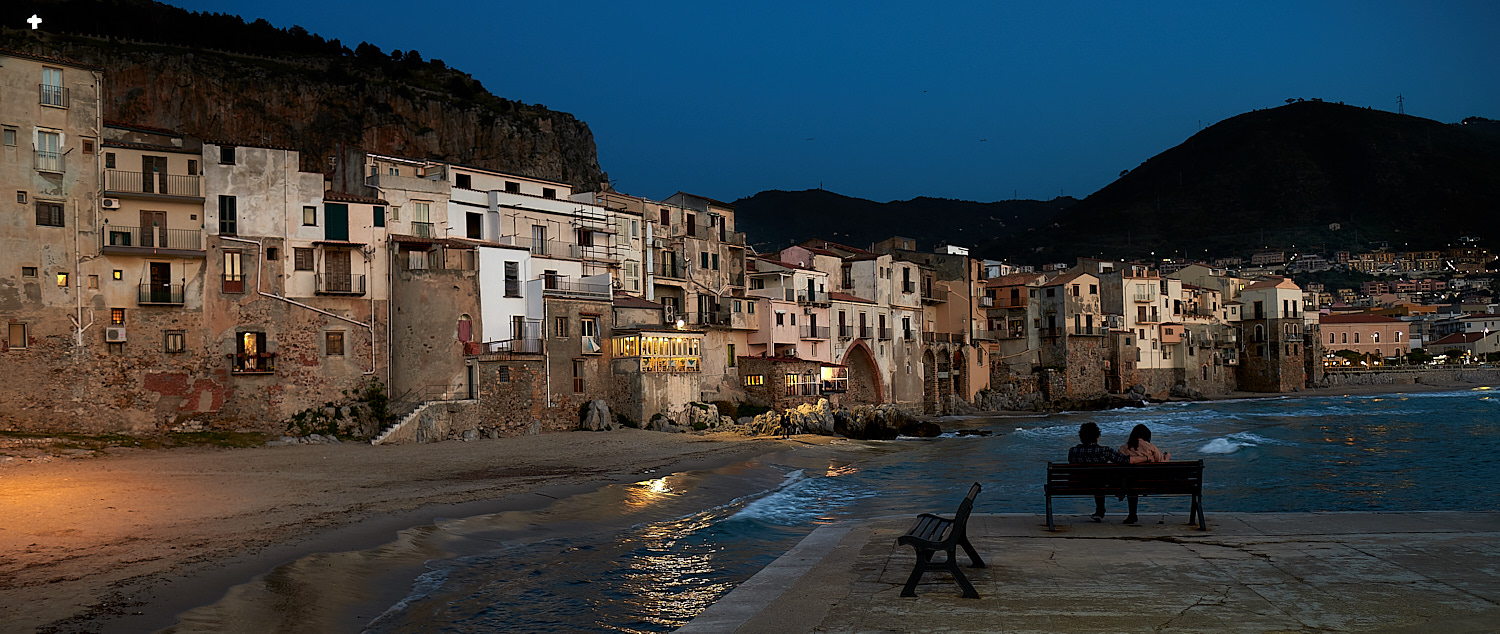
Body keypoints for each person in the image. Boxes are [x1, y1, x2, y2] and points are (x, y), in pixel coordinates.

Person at [1068, 422, 1131, 523]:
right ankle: (1104, 507)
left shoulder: (1073, 451)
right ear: (1097, 437)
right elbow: (1124, 461)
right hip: (1101, 484)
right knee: (1101, 479)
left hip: (1079, 484)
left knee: (1097, 479)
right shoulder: (1105, 451)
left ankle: (1100, 511)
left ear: (1081, 437)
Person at [1114, 424, 1171, 525]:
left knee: (1131, 483)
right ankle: (1132, 515)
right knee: (1135, 482)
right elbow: (1162, 465)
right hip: (1150, 482)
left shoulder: (1123, 448)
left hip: (1129, 483)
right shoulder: (1150, 447)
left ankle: (1132, 515)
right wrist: (1167, 458)